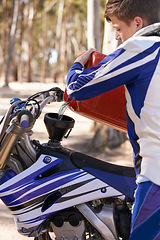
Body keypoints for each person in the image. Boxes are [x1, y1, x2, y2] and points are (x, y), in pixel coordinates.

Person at [66, 0, 160, 239]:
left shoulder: (143, 46)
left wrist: (77, 64)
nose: (117, 37)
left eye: (119, 28)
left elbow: (78, 88)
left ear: (138, 23)